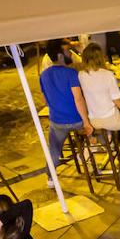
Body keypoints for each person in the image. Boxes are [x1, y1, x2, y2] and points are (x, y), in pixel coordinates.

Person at [33, 40, 92, 174]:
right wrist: (86, 122)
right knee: (102, 129)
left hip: (57, 121)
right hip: (77, 120)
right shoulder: (70, 73)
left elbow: (45, 101)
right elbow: (78, 99)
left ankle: (50, 178)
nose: (70, 54)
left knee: (53, 151)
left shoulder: (43, 75)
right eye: (66, 51)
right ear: (60, 55)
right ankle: (87, 152)